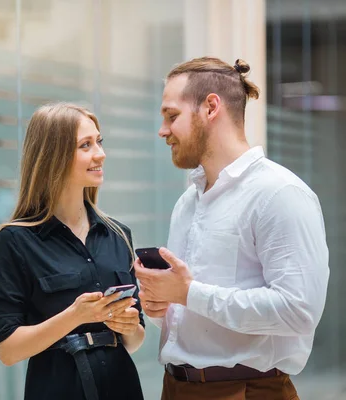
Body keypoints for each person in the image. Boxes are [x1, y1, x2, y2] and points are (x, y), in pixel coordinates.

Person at [134, 57, 330, 400]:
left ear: (211, 107)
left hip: (248, 391)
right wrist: (164, 306)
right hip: (175, 388)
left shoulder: (280, 194)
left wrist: (187, 293)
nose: (162, 130)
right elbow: (197, 309)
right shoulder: (187, 203)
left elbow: (299, 311)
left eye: (171, 116)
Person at [0, 103, 146, 400]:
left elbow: (135, 340)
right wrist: (74, 316)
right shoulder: (16, 242)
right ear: (53, 156)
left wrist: (128, 326)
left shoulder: (118, 235)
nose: (100, 153)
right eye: (85, 145)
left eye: (99, 141)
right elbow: (8, 350)